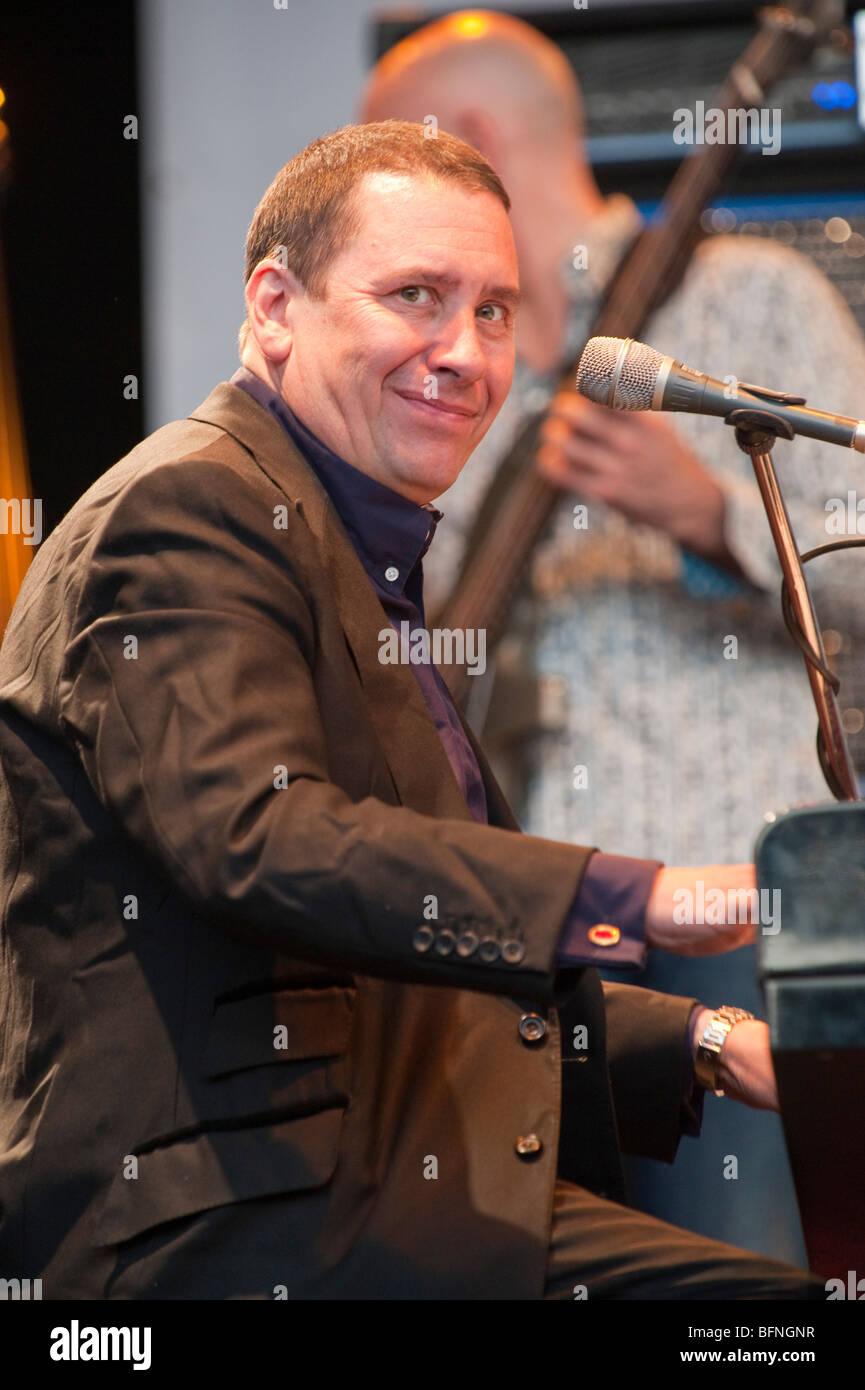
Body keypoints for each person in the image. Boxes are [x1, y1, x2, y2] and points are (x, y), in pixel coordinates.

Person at [0, 121, 823, 1300]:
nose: (463, 352)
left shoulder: (336, 538)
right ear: (274, 306)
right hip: (221, 1227)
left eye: (493, 312)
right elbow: (264, 842)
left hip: (356, 1197)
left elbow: (401, 950)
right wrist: (641, 895)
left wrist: (696, 1040)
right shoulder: (190, 510)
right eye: (415, 297)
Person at [362, 10, 865, 1265]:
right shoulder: (440, 371)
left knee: (750, 1288)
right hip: (543, 932)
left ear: (460, 141)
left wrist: (701, 508)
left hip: (735, 904)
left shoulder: (749, 298)